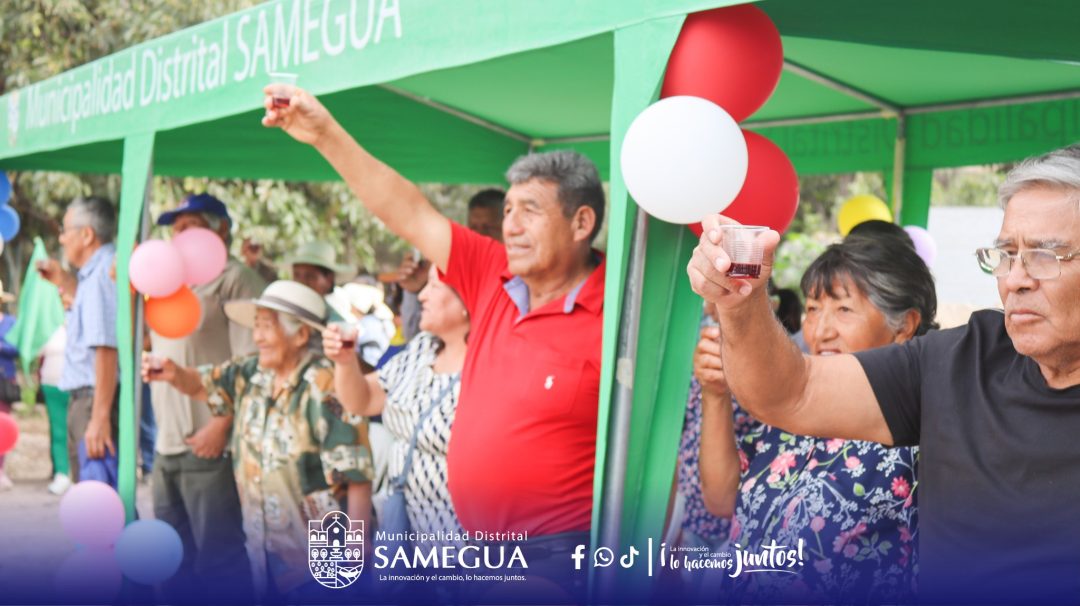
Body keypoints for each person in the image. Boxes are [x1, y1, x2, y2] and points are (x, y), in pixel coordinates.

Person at [687, 144, 1080, 603]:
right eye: (1007, 254)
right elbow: (792, 392)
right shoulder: (964, 358)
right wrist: (740, 298)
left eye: (1045, 255)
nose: (1015, 279)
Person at [264, 88, 605, 597]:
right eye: (507, 210)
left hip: (550, 566)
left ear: (582, 223)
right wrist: (325, 135)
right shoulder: (493, 274)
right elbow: (406, 209)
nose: (511, 227)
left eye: (530, 211)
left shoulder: (616, 312)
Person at [699, 237, 933, 603]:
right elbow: (720, 499)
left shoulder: (922, 432)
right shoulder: (791, 411)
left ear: (904, 325)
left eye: (844, 310)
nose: (821, 331)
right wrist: (715, 395)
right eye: (812, 309)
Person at [143, 280, 374, 600]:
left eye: (267, 326)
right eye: (257, 326)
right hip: (265, 552)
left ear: (301, 335)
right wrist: (172, 373)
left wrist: (356, 546)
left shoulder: (325, 385)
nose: (257, 337)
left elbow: (356, 471)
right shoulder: (251, 373)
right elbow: (204, 384)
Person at [149, 192, 265, 601]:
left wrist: (221, 425)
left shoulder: (235, 279)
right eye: (176, 229)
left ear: (221, 230)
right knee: (172, 560)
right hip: (167, 442)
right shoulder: (166, 282)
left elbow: (253, 364)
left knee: (218, 560)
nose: (181, 236)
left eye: (191, 226)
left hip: (210, 444)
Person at [327, 265, 468, 545]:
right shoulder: (423, 347)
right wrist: (344, 362)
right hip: (407, 530)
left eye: (434, 286)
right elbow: (364, 399)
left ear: (467, 299)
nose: (422, 295)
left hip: (461, 542)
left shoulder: (488, 362)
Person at [39, 196, 118, 485]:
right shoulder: (93, 274)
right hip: (86, 400)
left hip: (92, 400)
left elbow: (106, 349)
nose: (61, 238)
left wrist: (99, 417)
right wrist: (64, 282)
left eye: (65, 230)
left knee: (99, 498)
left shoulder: (101, 275)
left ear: (87, 234)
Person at [39, 325, 71, 494]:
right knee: (58, 432)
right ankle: (61, 473)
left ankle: (76, 473)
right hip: (51, 385)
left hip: (75, 386)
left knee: (76, 431)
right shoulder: (49, 327)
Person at [0, 283, 18, 491]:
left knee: (2, 425)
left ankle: (1, 469)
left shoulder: (11, 322)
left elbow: (17, 348)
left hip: (4, 380)